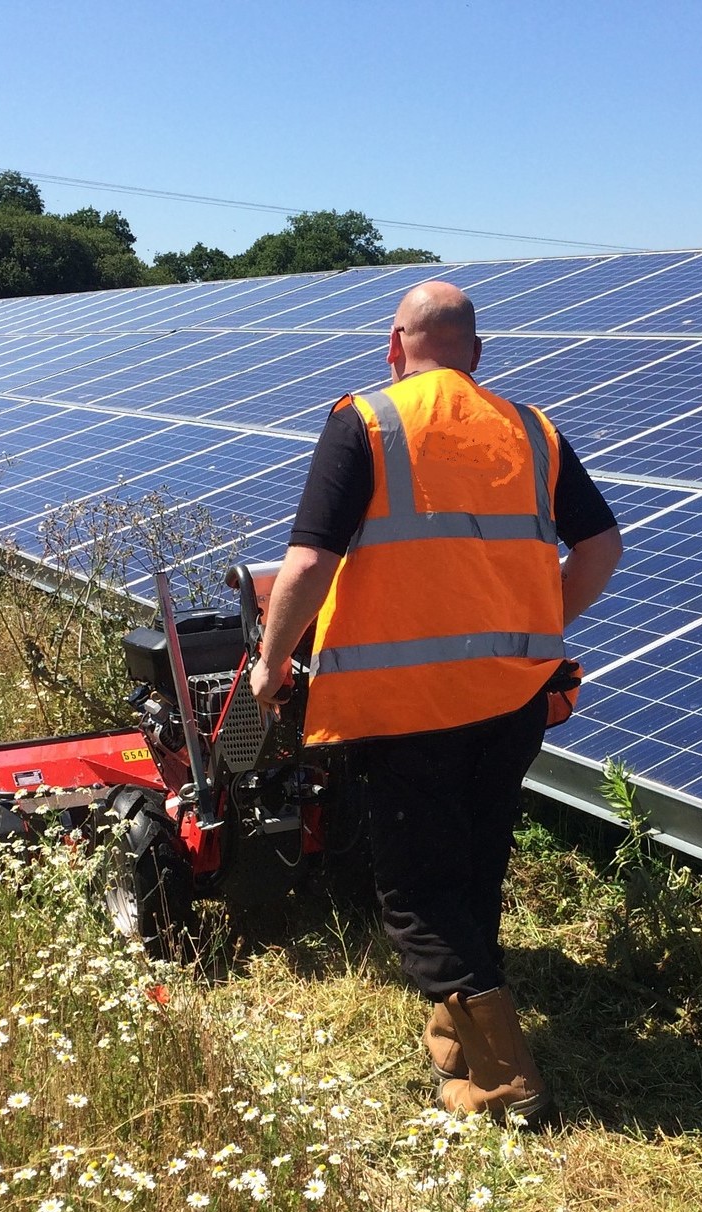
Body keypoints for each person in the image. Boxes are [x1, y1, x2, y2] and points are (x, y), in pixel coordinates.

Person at [250, 281, 622, 1125]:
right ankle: (459, 1034)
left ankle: (503, 1083)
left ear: (393, 345)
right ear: (476, 356)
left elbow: (307, 565)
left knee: (415, 886)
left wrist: (271, 666)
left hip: (403, 700)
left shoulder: (367, 420)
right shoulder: (533, 431)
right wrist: (538, 626)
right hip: (512, 695)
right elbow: (603, 548)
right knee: (475, 853)